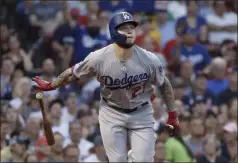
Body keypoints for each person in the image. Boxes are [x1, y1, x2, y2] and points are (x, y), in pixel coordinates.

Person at [32, 12, 179, 162]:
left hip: (141, 112)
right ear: (114, 32)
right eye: (124, 28)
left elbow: (165, 85)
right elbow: (73, 73)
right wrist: (51, 85)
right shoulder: (99, 57)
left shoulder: (149, 58)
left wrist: (173, 114)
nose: (130, 31)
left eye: (132, 28)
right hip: (112, 112)